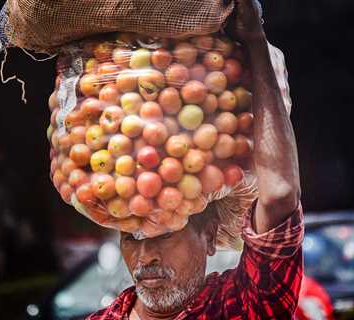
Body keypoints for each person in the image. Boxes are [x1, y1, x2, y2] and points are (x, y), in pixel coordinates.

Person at [88, 0, 303, 319]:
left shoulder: (238, 308)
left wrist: (254, 41)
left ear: (209, 235)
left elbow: (280, 197)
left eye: (164, 236)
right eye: (132, 237)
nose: (146, 257)